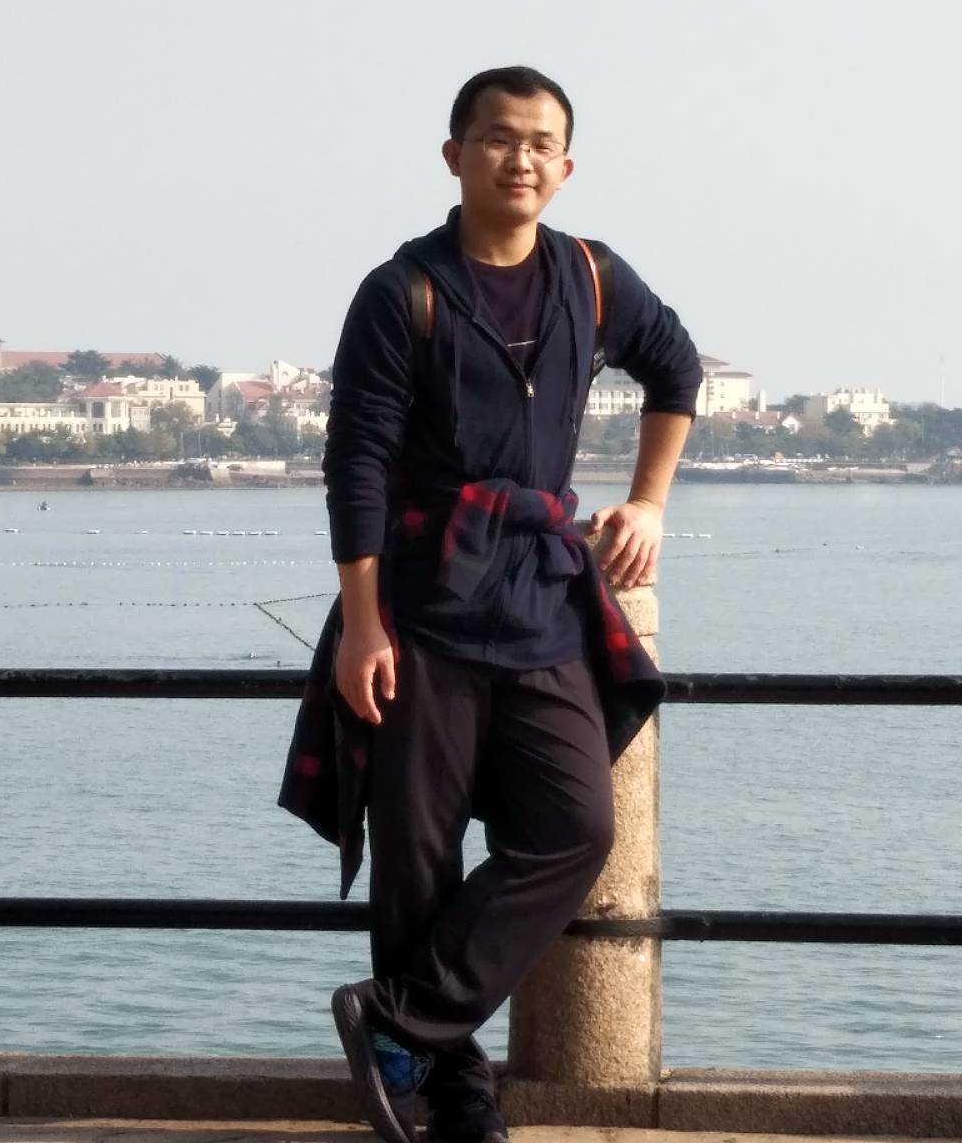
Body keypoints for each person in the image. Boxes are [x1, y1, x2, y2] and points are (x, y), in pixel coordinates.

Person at [280, 66, 703, 1143]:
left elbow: (677, 371)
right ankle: (448, 1085)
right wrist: (362, 623)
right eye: (499, 138)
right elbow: (357, 464)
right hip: (419, 605)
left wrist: (649, 502)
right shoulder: (402, 292)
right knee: (416, 856)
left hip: (542, 598)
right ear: (455, 155)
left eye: (541, 143)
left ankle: (400, 1021)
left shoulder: (592, 278)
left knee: (573, 827)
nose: (521, 159)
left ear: (566, 167)